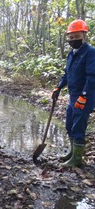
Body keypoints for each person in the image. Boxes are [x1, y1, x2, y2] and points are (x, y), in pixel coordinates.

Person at [52, 19, 95, 167]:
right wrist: (58, 87)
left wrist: (84, 96)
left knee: (78, 126)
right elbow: (67, 74)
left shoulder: (91, 52)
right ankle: (72, 152)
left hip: (85, 96)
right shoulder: (71, 54)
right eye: (71, 37)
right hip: (72, 96)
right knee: (69, 124)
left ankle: (77, 159)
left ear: (84, 35)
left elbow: (92, 77)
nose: (73, 40)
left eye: (77, 37)